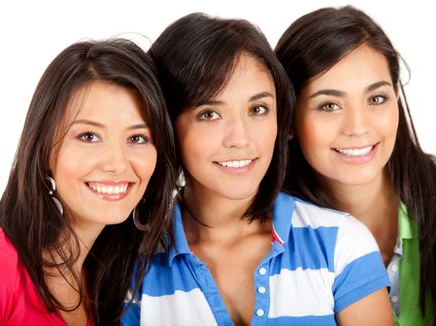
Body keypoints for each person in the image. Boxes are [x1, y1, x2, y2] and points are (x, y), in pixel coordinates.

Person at [122, 13, 392, 325]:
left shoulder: (343, 243)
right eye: (209, 113)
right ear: (167, 124)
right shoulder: (134, 264)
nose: (241, 138)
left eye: (257, 109)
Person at [0, 39, 176, 326]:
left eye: (137, 138)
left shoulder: (114, 288)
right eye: (89, 136)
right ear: (45, 149)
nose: (116, 163)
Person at [275, 5, 435, 325]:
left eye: (376, 98)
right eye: (329, 105)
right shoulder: (271, 236)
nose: (358, 127)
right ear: (288, 119)